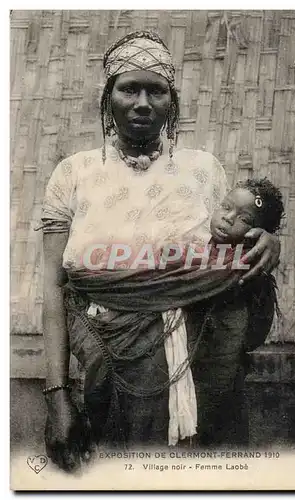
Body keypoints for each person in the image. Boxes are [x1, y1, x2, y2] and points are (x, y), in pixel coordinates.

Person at [37, 30, 281, 472]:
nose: (143, 102)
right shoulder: (74, 174)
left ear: (174, 99)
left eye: (157, 90)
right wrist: (57, 397)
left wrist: (267, 240)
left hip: (205, 362)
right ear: (107, 96)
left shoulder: (203, 170)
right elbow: (54, 290)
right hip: (110, 365)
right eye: (129, 88)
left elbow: (228, 248)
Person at [185, 178, 285, 447]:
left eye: (244, 219)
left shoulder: (250, 271)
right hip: (183, 364)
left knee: (221, 437)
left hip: (224, 370)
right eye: (226, 207)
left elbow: (256, 333)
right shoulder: (194, 251)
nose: (228, 218)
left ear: (257, 233)